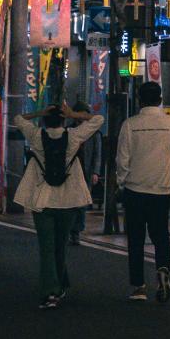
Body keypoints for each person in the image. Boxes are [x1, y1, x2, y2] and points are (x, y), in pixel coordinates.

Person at [14, 102, 104, 309]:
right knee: (60, 245)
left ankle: (50, 292)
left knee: (46, 247)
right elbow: (99, 120)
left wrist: (39, 112)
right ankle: (60, 284)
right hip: (69, 200)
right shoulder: (73, 136)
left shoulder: (36, 136)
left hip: (42, 200)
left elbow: (17, 119)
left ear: (45, 120)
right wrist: (74, 114)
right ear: (64, 120)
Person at [116, 81, 170, 303]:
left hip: (134, 189)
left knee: (136, 239)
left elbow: (122, 159)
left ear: (139, 100)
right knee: (161, 236)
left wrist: (120, 183)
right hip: (161, 190)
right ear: (160, 100)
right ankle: (163, 269)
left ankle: (139, 286)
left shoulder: (130, 125)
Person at [70, 104, 102, 245]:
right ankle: (71, 230)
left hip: (86, 171)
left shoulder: (93, 132)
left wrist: (96, 172)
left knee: (81, 203)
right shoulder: (70, 129)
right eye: (79, 114)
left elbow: (97, 154)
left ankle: (76, 231)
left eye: (84, 114)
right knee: (70, 203)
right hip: (70, 172)